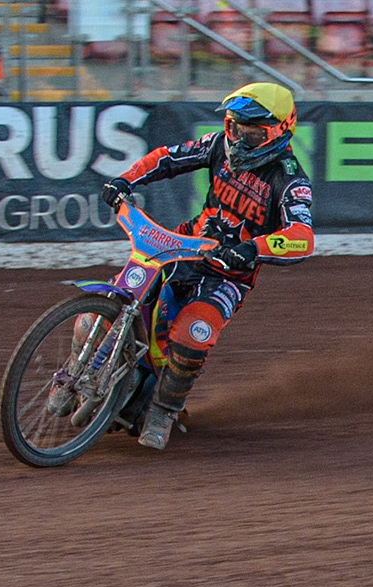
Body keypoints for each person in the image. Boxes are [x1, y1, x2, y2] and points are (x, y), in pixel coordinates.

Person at [97, 82, 315, 451]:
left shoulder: (290, 179)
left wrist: (251, 248)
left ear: (280, 129)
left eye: (252, 132)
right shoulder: (218, 145)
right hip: (183, 247)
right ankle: (81, 370)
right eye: (234, 127)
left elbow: (301, 237)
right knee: (112, 303)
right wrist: (125, 180)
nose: (239, 140)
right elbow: (167, 157)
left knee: (193, 333)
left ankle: (164, 410)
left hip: (228, 275)